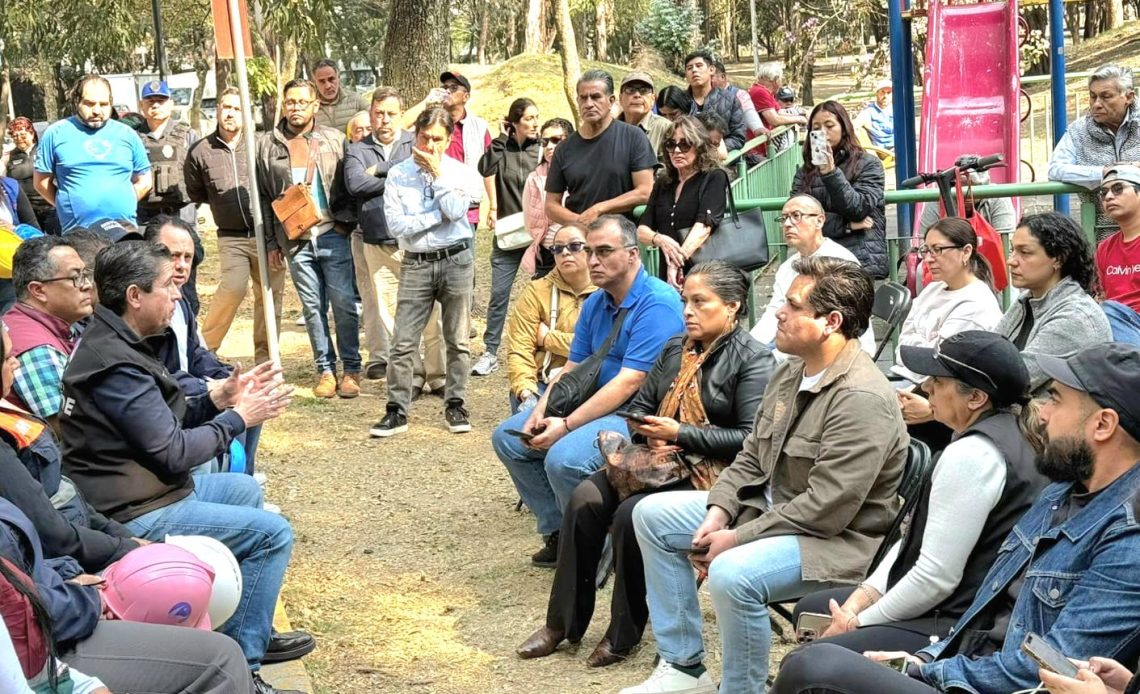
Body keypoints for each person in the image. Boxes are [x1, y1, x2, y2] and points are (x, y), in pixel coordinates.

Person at [771, 342, 1140, 694]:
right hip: (967, 661)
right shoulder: (1062, 491)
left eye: (1056, 399)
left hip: (990, 682)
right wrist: (924, 658)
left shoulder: (1127, 540)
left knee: (814, 668)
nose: (1042, 411)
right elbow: (984, 612)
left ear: (1103, 425)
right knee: (813, 656)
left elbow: (1044, 671)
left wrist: (925, 668)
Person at [620, 256, 907, 694]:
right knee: (650, 516)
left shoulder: (862, 399)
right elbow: (753, 454)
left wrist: (736, 537)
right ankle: (684, 667)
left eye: (792, 305)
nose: (778, 311)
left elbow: (826, 508)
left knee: (733, 573)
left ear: (831, 322)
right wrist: (719, 511)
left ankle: (742, 689)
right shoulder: (792, 370)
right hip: (772, 513)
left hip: (837, 542)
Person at [57, 241, 313, 675]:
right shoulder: (115, 364)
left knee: (245, 488)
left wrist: (218, 397)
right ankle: (243, 668)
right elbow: (174, 453)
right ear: (135, 295)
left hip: (146, 487)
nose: (178, 295)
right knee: (272, 533)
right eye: (167, 286)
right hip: (132, 509)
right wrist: (237, 418)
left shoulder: (123, 342)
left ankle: (242, 627)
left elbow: (162, 420)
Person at [516, 261, 774, 668]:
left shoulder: (753, 360)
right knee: (584, 498)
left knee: (631, 515)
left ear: (732, 306)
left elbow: (749, 438)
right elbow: (638, 407)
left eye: (699, 302)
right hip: (657, 462)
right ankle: (561, 623)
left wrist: (680, 434)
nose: (687, 310)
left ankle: (623, 633)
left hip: (713, 475)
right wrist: (647, 433)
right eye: (686, 300)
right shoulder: (676, 349)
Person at [793, 331, 1046, 655]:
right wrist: (860, 599)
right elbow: (914, 539)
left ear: (976, 398)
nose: (926, 387)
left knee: (811, 659)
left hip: (962, 625)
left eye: (939, 380)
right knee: (811, 609)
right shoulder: (1004, 432)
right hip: (956, 606)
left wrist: (858, 622)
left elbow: (935, 579)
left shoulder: (974, 455)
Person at [492, 215, 683, 565]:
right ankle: (562, 531)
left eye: (603, 251)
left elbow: (631, 381)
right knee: (510, 437)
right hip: (590, 401)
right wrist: (539, 409)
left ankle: (593, 547)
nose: (592, 261)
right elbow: (571, 367)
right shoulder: (597, 302)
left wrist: (565, 426)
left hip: (636, 413)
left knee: (563, 459)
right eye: (589, 251)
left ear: (632, 254)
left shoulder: (657, 302)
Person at [0, 496, 270, 693]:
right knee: (222, 660)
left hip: (64, 593)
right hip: (50, 636)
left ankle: (250, 674)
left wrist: (72, 572)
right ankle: (249, 670)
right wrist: (94, 599)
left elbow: (32, 554)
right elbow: (166, 450)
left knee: (244, 490)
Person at [370, 107, 484, 438]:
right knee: (404, 340)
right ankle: (396, 410)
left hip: (457, 260)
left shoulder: (459, 172)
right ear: (415, 135)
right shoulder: (398, 174)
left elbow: (457, 209)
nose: (429, 144)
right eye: (424, 137)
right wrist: (438, 218)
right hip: (416, 262)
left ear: (448, 140)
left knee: (457, 339)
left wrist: (439, 176)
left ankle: (455, 403)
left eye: (437, 139)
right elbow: (398, 226)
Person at [256, 78, 360, 399]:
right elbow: (263, 198)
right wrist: (272, 243)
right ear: (283, 105)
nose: (296, 108)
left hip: (333, 234)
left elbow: (349, 185)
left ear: (315, 105)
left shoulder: (334, 140)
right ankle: (325, 370)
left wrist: (347, 226)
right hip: (295, 241)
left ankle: (351, 368)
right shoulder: (267, 145)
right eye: (290, 102)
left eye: (303, 102)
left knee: (343, 302)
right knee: (312, 307)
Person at [344, 87, 445, 389]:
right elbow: (356, 185)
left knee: (430, 311)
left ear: (402, 116)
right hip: (377, 243)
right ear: (371, 115)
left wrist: (382, 170)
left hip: (417, 243)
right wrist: (396, 176)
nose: (384, 120)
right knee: (391, 315)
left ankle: (438, 375)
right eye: (378, 114)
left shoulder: (414, 143)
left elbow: (426, 172)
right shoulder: (356, 149)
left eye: (390, 114)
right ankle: (412, 376)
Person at [186, 86, 285, 365]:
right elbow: (197, 192)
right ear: (217, 110)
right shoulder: (201, 151)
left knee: (269, 296)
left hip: (267, 234)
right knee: (233, 287)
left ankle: (266, 358)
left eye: (236, 108)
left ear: (246, 113)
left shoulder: (260, 145)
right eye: (225, 107)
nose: (230, 113)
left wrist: (274, 237)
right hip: (231, 238)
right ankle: (204, 349)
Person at [996, 212, 1111, 392]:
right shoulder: (1027, 299)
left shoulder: (1076, 317)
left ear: (1058, 258)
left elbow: (1014, 380)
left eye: (1024, 252)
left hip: (1047, 417)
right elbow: (989, 350)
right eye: (1013, 250)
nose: (1011, 261)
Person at [750, 195, 877, 358]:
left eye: (796, 216)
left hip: (834, 349)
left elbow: (836, 330)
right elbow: (773, 311)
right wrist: (749, 347)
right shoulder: (787, 266)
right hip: (798, 338)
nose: (787, 224)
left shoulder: (840, 262)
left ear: (820, 221)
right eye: (784, 218)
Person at [472, 98, 543, 377]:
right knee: (499, 296)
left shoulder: (542, 150)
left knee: (542, 296)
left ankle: (539, 352)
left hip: (539, 238)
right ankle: (490, 352)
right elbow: (484, 168)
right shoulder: (501, 149)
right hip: (508, 236)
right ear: (514, 122)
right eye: (528, 118)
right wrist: (501, 137)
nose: (535, 123)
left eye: (537, 117)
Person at [891, 217, 1003, 383]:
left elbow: (938, 362)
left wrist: (917, 342)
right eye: (926, 250)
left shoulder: (976, 304)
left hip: (933, 388)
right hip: (906, 377)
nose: (928, 258)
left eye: (938, 249)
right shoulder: (932, 289)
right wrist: (926, 345)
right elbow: (902, 349)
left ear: (966, 251)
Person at [34, 75, 152, 231]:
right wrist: (66, 206)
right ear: (77, 102)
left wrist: (125, 199)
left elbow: (145, 180)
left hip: (124, 230)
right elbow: (41, 183)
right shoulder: (55, 134)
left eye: (103, 104)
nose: (97, 110)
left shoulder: (127, 134)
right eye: (89, 104)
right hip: (78, 232)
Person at [545, 71, 657, 229]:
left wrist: (599, 210)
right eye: (583, 98)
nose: (589, 104)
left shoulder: (633, 137)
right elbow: (550, 206)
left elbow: (645, 191)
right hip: (581, 238)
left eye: (596, 97)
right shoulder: (564, 148)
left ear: (611, 101)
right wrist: (581, 223)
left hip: (623, 236)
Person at [504, 224, 597, 413]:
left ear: (591, 249)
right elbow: (519, 347)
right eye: (557, 248)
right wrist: (525, 390)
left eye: (574, 246)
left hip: (593, 387)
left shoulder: (607, 292)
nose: (565, 253)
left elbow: (600, 350)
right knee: (518, 428)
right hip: (542, 384)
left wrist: (548, 339)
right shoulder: (537, 291)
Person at [792, 100, 888, 278]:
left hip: (860, 259)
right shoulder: (804, 173)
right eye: (816, 127)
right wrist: (846, 225)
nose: (822, 132)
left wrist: (830, 173)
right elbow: (798, 219)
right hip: (817, 260)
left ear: (844, 128)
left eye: (829, 125)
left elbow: (859, 209)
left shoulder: (868, 164)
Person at [4, 237, 91, 426]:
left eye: (86, 274)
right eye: (75, 277)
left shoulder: (20, 319)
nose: (87, 285)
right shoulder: (37, 350)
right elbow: (70, 430)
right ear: (38, 290)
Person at [1048, 64, 1140, 242]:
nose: (1097, 104)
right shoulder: (1079, 130)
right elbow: (1056, 169)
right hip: (1103, 237)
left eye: (1106, 97)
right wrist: (1103, 173)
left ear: (1128, 97)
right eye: (1093, 97)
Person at [635, 116, 730, 287]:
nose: (677, 151)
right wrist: (660, 239)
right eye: (671, 145)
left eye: (685, 144)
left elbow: (704, 227)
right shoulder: (664, 182)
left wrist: (676, 262)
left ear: (699, 146)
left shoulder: (714, 177)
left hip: (704, 272)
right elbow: (642, 229)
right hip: (668, 272)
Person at [521, 118, 574, 278]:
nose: (549, 146)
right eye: (545, 141)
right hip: (548, 252)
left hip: (579, 248)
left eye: (556, 140)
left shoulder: (583, 171)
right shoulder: (535, 178)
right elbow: (530, 221)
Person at [1095, 165, 1140, 345]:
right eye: (1103, 192)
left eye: (1118, 189)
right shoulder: (1105, 247)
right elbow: (1102, 296)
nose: (1109, 197)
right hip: (1114, 326)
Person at [916, 165, 1017, 238]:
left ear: (985, 185)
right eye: (960, 185)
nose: (965, 191)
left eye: (971, 184)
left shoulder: (997, 196)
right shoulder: (938, 200)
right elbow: (924, 240)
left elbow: (1006, 240)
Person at [1, 117, 57, 235]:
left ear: (31, 134)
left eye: (22, 135)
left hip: (50, 206)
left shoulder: (43, 150)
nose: (19, 139)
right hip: (26, 209)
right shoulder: (10, 156)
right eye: (15, 136)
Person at [682, 51, 746, 152]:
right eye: (689, 68)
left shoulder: (730, 99)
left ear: (711, 70)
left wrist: (715, 148)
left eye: (699, 66)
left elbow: (738, 137)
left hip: (721, 162)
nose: (694, 70)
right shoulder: (680, 100)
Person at [750, 63, 809, 157]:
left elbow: (780, 112)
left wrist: (800, 114)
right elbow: (774, 120)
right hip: (754, 150)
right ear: (776, 80)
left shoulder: (766, 92)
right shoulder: (760, 92)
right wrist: (799, 119)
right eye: (780, 79)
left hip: (760, 147)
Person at [617, 72, 671, 159]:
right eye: (630, 90)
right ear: (620, 99)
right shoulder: (610, 129)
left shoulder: (665, 128)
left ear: (653, 99)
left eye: (644, 91)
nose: (637, 95)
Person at [710, 60, 764, 139]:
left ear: (723, 77)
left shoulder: (739, 94)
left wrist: (758, 128)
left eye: (711, 77)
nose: (708, 81)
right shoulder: (702, 96)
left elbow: (749, 113)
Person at [312, 59, 369, 131]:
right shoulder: (310, 106)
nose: (328, 86)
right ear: (315, 82)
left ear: (338, 77)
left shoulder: (356, 100)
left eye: (331, 79)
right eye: (322, 81)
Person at [854, 79, 896, 150]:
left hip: (898, 149)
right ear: (876, 93)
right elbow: (854, 126)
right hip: (883, 152)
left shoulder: (896, 110)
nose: (885, 96)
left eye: (889, 93)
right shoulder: (869, 112)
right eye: (882, 92)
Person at [769, 85, 806, 153]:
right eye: (785, 100)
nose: (789, 103)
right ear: (776, 100)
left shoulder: (794, 110)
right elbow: (780, 113)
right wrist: (799, 118)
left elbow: (805, 112)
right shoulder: (773, 113)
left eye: (791, 100)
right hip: (775, 154)